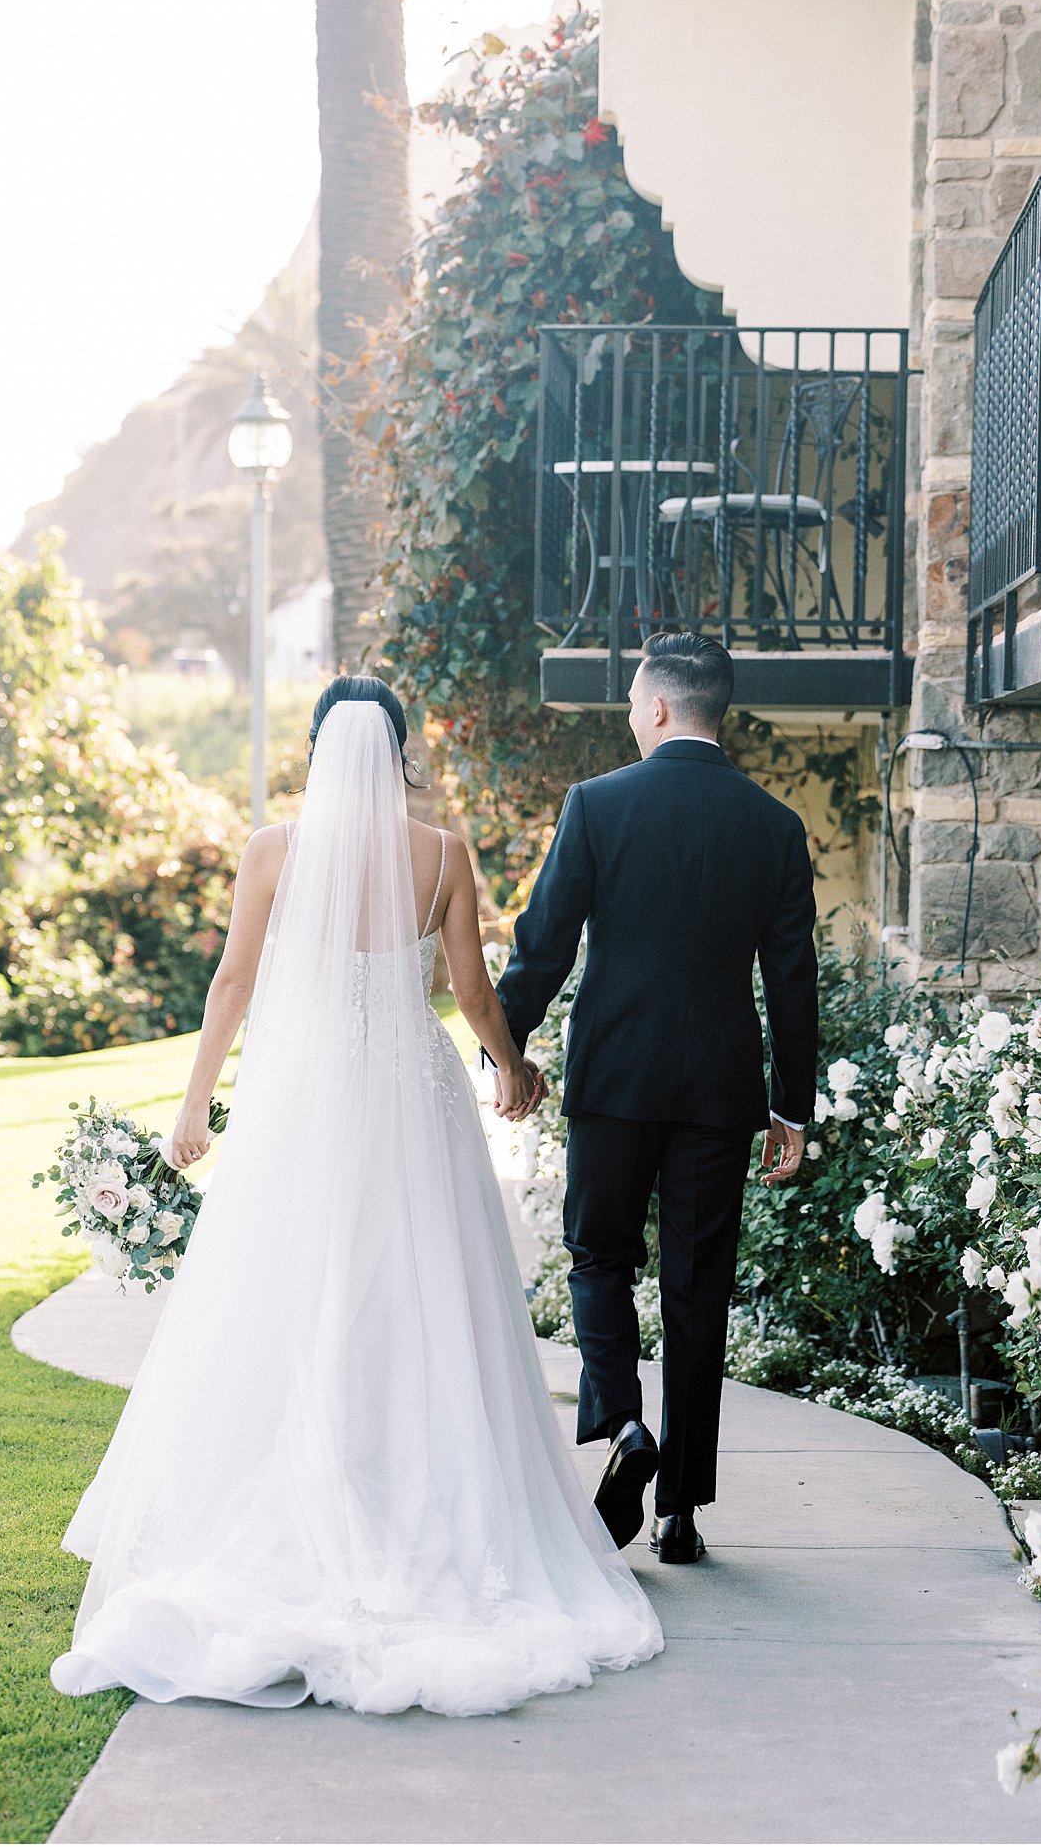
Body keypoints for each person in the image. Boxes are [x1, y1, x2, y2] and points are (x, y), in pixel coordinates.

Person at [49, 676, 663, 1717]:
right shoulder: (439, 854)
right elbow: (469, 990)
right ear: (402, 754)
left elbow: (233, 984)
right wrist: (509, 1070)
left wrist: (192, 1110)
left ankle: (309, 1498)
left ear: (314, 748)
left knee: (291, 1293)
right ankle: (419, 1506)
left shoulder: (272, 851)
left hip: (304, 1101)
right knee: (419, 1303)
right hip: (411, 1101)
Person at [494, 631, 818, 1567]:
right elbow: (792, 982)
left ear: (665, 707)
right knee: (697, 1290)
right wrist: (789, 1108)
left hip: (614, 1082)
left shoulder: (597, 806)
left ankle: (626, 1427)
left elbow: (544, 945)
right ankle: (681, 1510)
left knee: (598, 1256)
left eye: (637, 703)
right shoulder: (774, 826)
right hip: (721, 1095)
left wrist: (504, 1053)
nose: (633, 717)